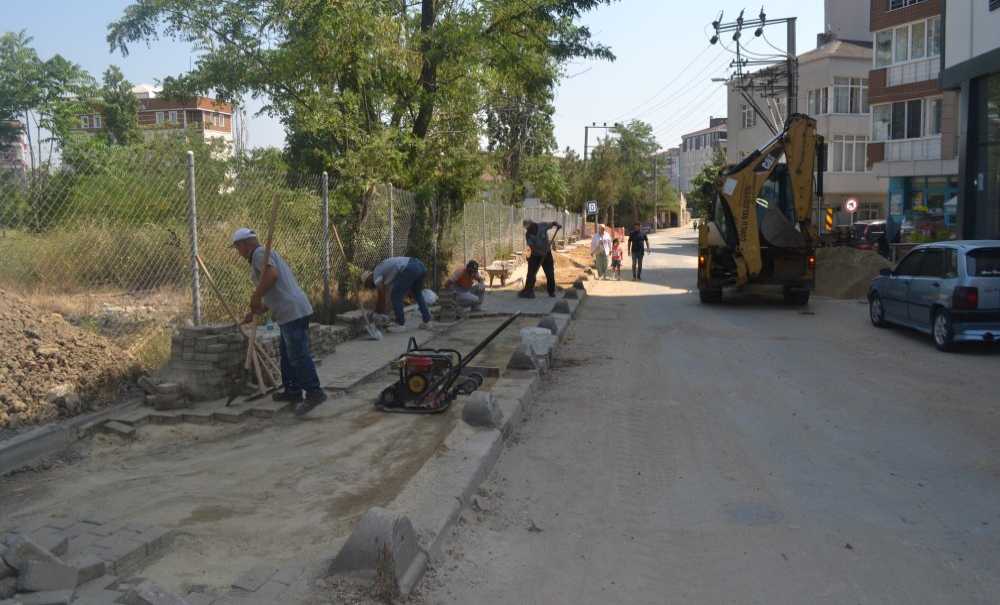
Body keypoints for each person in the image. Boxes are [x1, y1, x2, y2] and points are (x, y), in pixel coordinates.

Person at [231, 227, 327, 416]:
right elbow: (277, 289)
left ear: (244, 244)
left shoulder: (259, 254)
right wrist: (259, 309)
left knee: (298, 355)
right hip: (291, 309)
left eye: (237, 247)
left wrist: (255, 296)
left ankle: (314, 393)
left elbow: (272, 276)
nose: (238, 252)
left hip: (292, 311)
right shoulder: (263, 254)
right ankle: (292, 390)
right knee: (287, 354)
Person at [363, 256, 434, 332]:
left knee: (396, 295)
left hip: (410, 268)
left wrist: (377, 313)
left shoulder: (376, 274)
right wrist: (384, 313)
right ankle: (427, 321)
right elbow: (386, 296)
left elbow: (382, 295)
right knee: (417, 293)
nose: (369, 287)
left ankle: (400, 324)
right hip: (420, 266)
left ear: (368, 278)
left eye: (367, 284)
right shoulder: (384, 274)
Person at [518, 219, 561, 299]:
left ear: (533, 224)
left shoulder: (542, 225)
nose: (528, 230)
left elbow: (552, 223)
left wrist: (557, 225)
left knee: (550, 273)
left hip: (547, 254)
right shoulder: (528, 234)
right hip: (535, 255)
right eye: (527, 229)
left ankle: (551, 292)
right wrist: (539, 252)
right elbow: (531, 247)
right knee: (531, 274)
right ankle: (528, 291)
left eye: (529, 228)